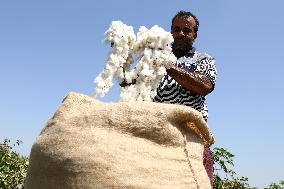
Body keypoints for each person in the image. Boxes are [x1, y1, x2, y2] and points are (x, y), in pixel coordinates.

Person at [153, 10, 217, 184]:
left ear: (195, 35)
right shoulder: (154, 60)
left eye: (187, 30)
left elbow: (204, 86)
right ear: (171, 32)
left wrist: (169, 66)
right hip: (159, 140)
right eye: (176, 29)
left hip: (192, 138)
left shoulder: (203, 59)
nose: (180, 34)